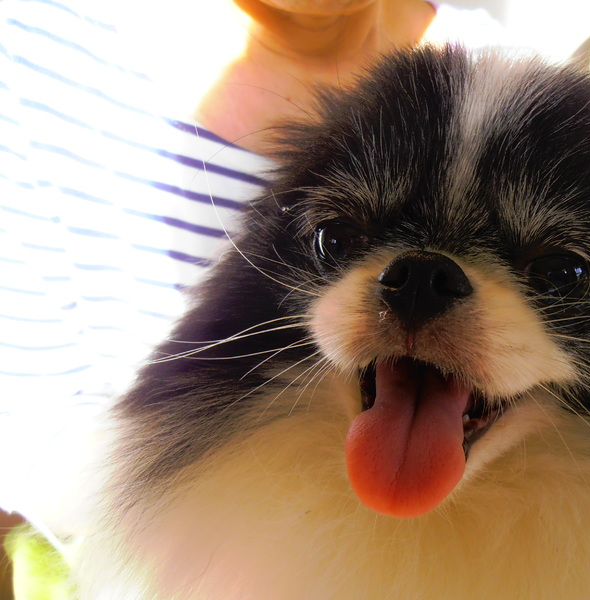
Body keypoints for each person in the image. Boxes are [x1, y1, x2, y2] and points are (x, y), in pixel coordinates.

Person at [0, 0, 505, 574]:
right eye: (337, 241)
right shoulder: (27, 51)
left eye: (557, 274)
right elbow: (24, 422)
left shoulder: (506, 64)